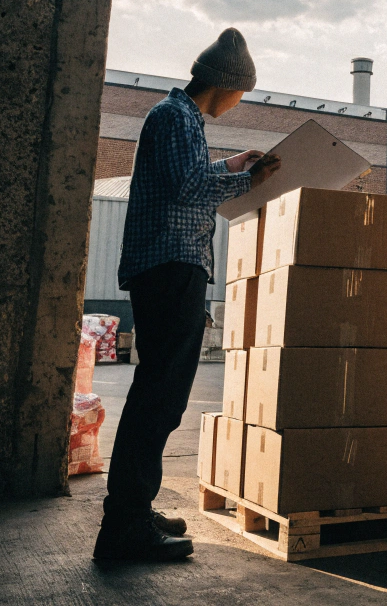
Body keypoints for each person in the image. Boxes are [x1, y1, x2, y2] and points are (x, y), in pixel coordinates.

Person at [93, 28, 281, 561]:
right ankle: (124, 525)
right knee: (159, 399)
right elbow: (187, 188)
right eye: (243, 92)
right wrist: (251, 181)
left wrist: (232, 167)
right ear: (227, 86)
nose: (241, 102)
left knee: (157, 395)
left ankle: (133, 508)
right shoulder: (174, 117)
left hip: (168, 267)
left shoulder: (178, 118)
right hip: (171, 266)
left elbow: (191, 178)